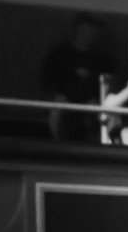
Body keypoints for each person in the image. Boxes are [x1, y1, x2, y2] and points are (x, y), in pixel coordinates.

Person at [40, 14, 113, 142]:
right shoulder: (60, 54)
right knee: (56, 112)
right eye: (84, 30)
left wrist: (99, 100)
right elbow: (47, 82)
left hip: (91, 105)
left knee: (106, 115)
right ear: (76, 31)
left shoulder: (102, 59)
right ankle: (57, 147)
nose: (88, 35)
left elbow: (108, 85)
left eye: (91, 31)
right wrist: (55, 97)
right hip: (63, 102)